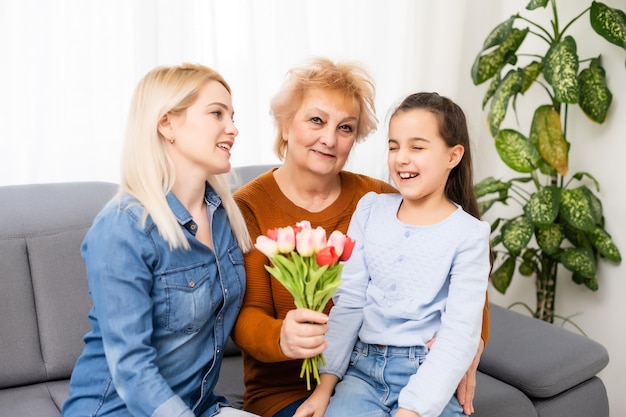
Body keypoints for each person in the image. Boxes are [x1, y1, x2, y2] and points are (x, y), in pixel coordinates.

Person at [231, 58, 489, 417]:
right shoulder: (247, 207)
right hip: (290, 387)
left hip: (403, 373)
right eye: (317, 120)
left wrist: (470, 343)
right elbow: (241, 316)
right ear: (286, 124)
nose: (329, 138)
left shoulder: (379, 198)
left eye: (346, 127)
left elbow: (456, 282)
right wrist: (280, 337)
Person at [62, 63, 258, 417]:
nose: (233, 128)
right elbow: (130, 365)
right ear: (166, 124)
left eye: (232, 115)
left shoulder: (224, 215)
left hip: (200, 407)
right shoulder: (124, 226)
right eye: (217, 113)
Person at [298, 92, 491, 417]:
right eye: (393, 146)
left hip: (427, 374)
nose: (401, 158)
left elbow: (460, 333)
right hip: (361, 373)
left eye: (417, 147)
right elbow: (350, 303)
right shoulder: (371, 209)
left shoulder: (470, 234)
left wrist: (413, 410)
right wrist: (324, 389)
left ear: (453, 156)